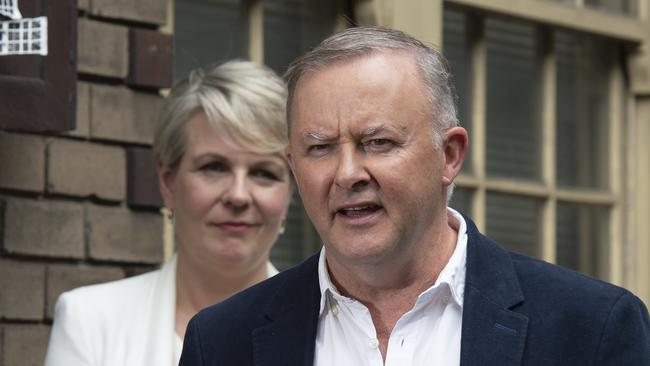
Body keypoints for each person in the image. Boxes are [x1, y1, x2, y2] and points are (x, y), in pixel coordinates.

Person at [179, 27, 650, 366]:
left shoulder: (591, 328)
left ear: (449, 156)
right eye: (320, 148)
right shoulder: (222, 341)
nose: (347, 174)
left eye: (378, 142)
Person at [44, 60, 293, 366]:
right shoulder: (91, 322)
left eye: (264, 173)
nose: (238, 195)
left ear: (290, 192)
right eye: (213, 167)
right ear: (167, 182)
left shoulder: (328, 329)